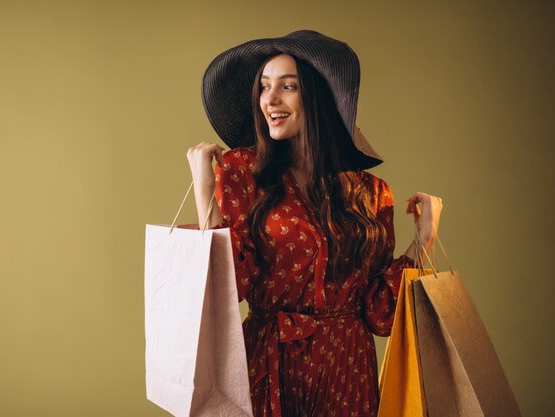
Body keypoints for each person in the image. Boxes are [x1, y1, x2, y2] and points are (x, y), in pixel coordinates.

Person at [187, 30, 442, 417]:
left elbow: (379, 313)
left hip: (347, 369)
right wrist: (205, 190)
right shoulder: (242, 172)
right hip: (269, 362)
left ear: (318, 99)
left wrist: (424, 239)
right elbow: (228, 287)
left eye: (287, 87)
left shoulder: (371, 193)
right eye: (263, 87)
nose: (269, 100)